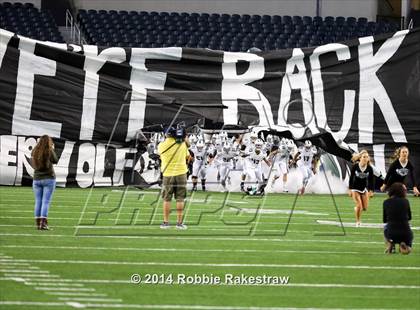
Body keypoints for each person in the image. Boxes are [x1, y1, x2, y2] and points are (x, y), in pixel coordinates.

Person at [157, 127, 190, 229]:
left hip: (167, 174)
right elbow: (187, 156)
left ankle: (166, 222)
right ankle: (179, 223)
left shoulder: (161, 145)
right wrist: (184, 138)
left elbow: (159, 156)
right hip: (181, 173)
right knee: (180, 199)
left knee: (167, 199)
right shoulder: (182, 144)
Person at [31, 135, 58, 230]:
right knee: (45, 201)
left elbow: (33, 163)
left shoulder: (35, 150)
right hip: (49, 178)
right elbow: (55, 160)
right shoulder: (49, 150)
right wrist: (52, 149)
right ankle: (43, 223)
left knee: (38, 201)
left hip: (37, 179)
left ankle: (38, 223)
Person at [383, 182, 413, 255]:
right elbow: (409, 217)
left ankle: (390, 244)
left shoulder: (386, 202)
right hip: (405, 232)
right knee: (407, 251)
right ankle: (404, 246)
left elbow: (384, 220)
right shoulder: (406, 201)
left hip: (391, 232)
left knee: (385, 227)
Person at [348, 150, 374, 227]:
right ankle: (358, 221)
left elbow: (371, 180)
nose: (365, 158)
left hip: (363, 189)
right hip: (355, 188)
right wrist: (350, 189)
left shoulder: (369, 168)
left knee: (364, 208)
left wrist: (371, 190)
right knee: (359, 205)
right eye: (364, 157)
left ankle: (357, 208)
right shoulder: (355, 166)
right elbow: (351, 177)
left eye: (367, 157)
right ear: (360, 158)